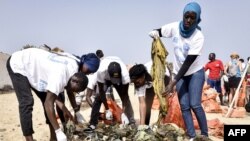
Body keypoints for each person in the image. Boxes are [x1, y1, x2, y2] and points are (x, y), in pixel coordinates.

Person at [6, 48, 100, 141]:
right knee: (27, 102)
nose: (88, 73)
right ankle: (30, 139)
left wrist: (73, 111)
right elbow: (49, 103)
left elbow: (63, 93)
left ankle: (53, 138)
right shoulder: (61, 74)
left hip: (38, 71)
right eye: (89, 70)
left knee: (46, 99)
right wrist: (59, 131)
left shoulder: (74, 73)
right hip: (20, 63)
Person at [149, 2, 208, 140]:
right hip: (179, 74)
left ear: (197, 19)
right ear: (183, 15)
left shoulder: (198, 36)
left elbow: (187, 63)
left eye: (192, 18)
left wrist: (172, 83)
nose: (188, 20)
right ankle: (192, 135)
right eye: (186, 16)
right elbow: (159, 31)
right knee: (184, 106)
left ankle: (204, 134)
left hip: (194, 73)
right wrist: (154, 33)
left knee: (195, 104)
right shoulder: (175, 27)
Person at [84, 56, 135, 132]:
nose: (114, 81)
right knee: (98, 98)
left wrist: (123, 113)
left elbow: (125, 95)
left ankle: (131, 122)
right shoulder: (101, 71)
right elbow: (101, 91)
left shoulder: (125, 75)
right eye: (113, 79)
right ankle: (93, 124)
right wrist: (107, 109)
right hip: (105, 79)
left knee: (126, 98)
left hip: (120, 79)